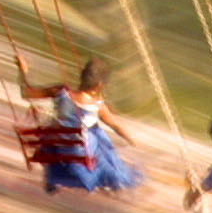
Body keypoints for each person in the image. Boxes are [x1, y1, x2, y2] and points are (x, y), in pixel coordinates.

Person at [16, 55, 142, 193]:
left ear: (81, 76)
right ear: (100, 85)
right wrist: (131, 140)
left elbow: (25, 93)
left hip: (56, 151)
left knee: (57, 130)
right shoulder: (98, 106)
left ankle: (54, 175)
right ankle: (109, 182)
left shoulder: (60, 91)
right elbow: (115, 126)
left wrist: (23, 70)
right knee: (97, 136)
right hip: (81, 161)